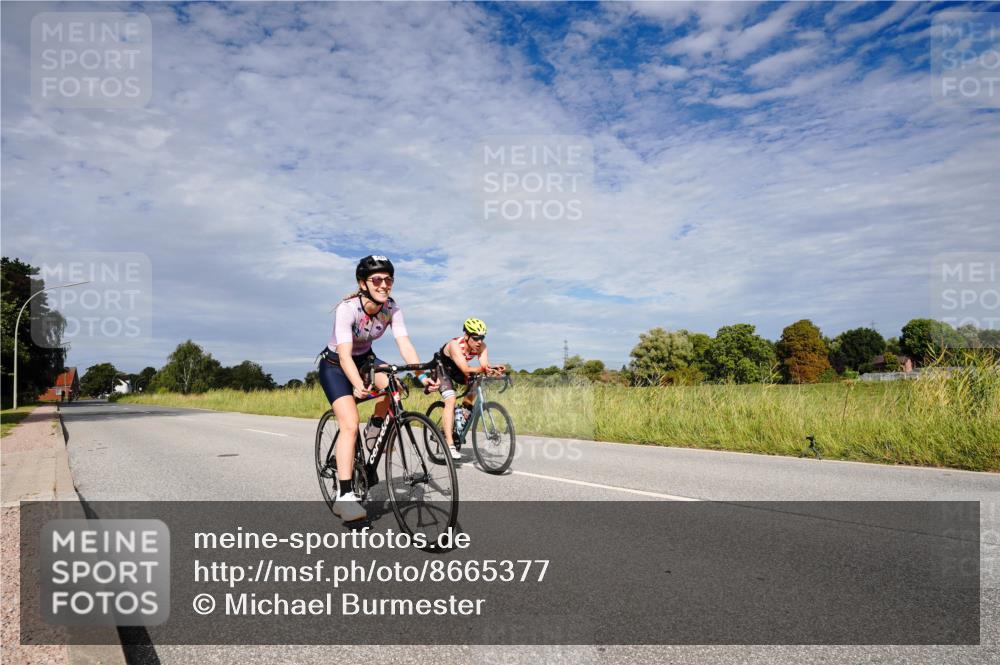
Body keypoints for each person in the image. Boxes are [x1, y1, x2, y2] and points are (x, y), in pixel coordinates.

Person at [318, 255, 437, 522]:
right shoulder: (348, 309)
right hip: (336, 365)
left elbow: (405, 345)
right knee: (349, 423)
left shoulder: (391, 308)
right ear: (363, 283)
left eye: (389, 279)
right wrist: (358, 385)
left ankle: (375, 428)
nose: (384, 285)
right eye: (377, 280)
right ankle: (345, 496)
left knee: (395, 383)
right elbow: (346, 354)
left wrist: (421, 376)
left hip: (366, 361)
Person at [432, 318, 505, 459]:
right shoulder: (454, 345)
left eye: (482, 338)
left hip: (459, 371)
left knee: (477, 380)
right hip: (443, 370)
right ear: (466, 336)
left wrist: (493, 370)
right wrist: (484, 369)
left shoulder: (482, 346)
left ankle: (463, 411)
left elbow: (484, 365)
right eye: (476, 337)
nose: (479, 341)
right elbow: (465, 368)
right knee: (451, 400)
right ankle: (449, 444)